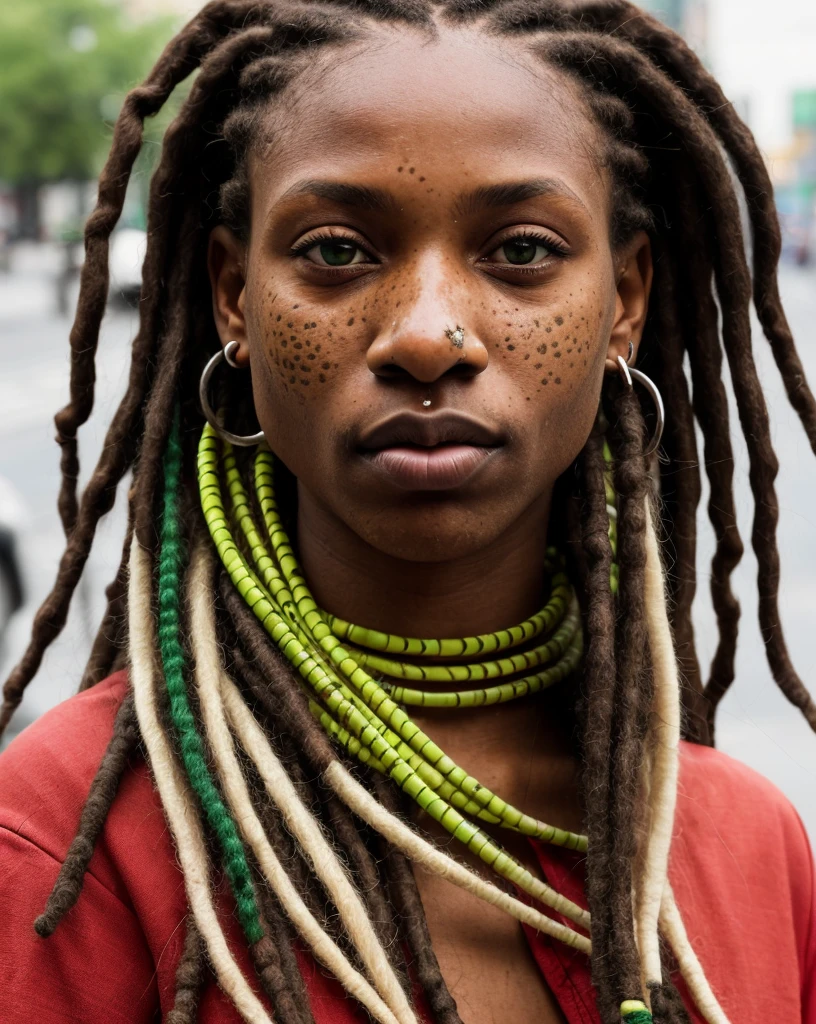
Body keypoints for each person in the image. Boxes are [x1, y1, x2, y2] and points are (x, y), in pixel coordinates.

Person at [0, 2, 814, 1022]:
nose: (428, 336)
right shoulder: (66, 837)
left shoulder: (751, 849)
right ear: (232, 296)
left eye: (520, 251)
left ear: (628, 300)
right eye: (337, 252)